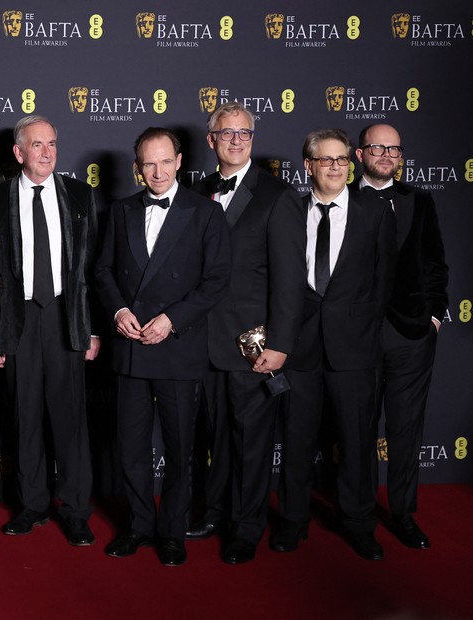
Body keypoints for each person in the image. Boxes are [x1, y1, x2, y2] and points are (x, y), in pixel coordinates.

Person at [95, 127, 230, 566]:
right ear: (137, 167)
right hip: (131, 345)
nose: (157, 171)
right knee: (132, 450)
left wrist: (172, 321)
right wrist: (118, 312)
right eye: (148, 163)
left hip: (178, 347)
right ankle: (138, 525)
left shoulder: (204, 213)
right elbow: (103, 272)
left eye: (165, 161)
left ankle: (172, 532)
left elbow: (216, 281)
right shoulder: (120, 210)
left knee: (179, 449)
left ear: (179, 161)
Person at [187, 102, 306, 564]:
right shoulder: (196, 192)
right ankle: (215, 511)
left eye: (245, 134)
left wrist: (280, 344)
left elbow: (291, 280)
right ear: (210, 138)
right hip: (202, 342)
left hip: (253, 345)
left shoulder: (278, 196)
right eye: (227, 133)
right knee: (215, 437)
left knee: (252, 441)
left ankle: (247, 524)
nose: (237, 141)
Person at [274, 128, 396, 560]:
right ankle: (292, 521)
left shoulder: (375, 213)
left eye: (342, 160)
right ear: (308, 165)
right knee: (296, 439)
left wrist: (362, 332)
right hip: (301, 347)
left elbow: (384, 284)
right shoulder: (287, 210)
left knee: (359, 442)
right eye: (325, 160)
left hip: (355, 350)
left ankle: (359, 522)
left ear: (352, 163)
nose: (335, 167)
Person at [0, 115, 101, 547]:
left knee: (69, 419)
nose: (47, 152)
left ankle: (74, 508)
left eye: (52, 144)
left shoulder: (80, 195)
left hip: (65, 317)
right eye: (37, 145)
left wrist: (93, 329)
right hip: (18, 320)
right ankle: (32, 505)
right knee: (23, 416)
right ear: (18, 153)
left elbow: (93, 269)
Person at [352, 124, 449, 549]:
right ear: (360, 155)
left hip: (412, 333)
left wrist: (435, 315)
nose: (387, 154)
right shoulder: (342, 199)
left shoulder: (420, 200)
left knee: (407, 428)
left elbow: (434, 262)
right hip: (357, 336)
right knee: (357, 428)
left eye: (394, 148)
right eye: (378, 147)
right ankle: (358, 515)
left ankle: (404, 513)